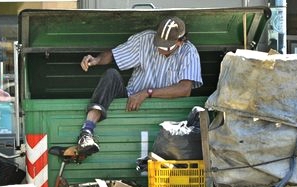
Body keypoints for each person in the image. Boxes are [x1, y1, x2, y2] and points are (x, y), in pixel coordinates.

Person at [67, 16, 203, 156]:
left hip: (164, 110)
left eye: (165, 47)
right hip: (130, 99)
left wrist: (147, 93)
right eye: (158, 44)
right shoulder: (145, 39)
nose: (160, 49)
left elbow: (185, 89)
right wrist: (96, 60)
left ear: (180, 42)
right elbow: (115, 54)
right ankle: (87, 132)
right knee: (111, 75)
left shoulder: (189, 52)